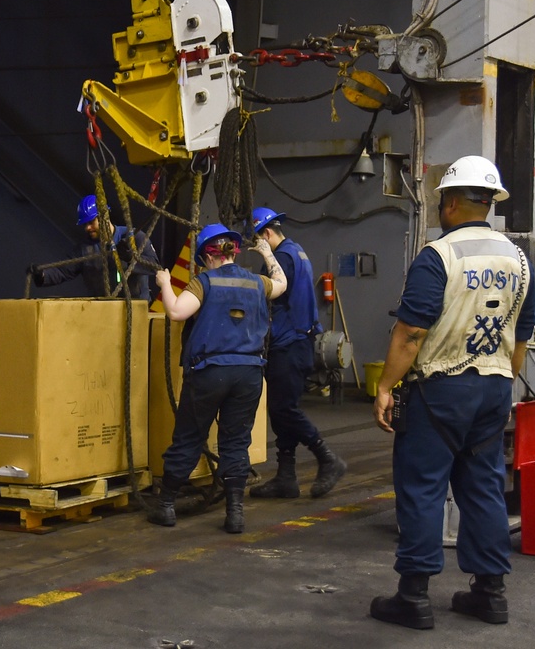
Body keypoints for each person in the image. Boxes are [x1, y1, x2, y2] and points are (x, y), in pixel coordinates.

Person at [368, 156, 535, 629]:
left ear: (451, 202)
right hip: (495, 387)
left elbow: (411, 334)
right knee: (482, 485)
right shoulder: (519, 260)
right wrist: (503, 382)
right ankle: (490, 593)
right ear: (489, 202)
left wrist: (385, 386)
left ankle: (414, 597)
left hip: (441, 389)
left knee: (422, 486)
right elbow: (523, 335)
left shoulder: (438, 256)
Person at [150, 223, 287, 533]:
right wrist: (267, 254)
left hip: (209, 373)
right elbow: (282, 283)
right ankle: (235, 513)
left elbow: (175, 312)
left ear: (207, 257)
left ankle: (166, 506)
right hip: (249, 374)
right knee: (236, 442)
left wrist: (165, 283)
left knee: (188, 436)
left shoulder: (204, 282)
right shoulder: (256, 283)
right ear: (234, 252)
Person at [248, 207, 347, 500]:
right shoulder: (298, 251)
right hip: (299, 341)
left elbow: (272, 292)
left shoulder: (280, 259)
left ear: (265, 235)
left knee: (284, 409)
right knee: (282, 409)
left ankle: (327, 458)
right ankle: (286, 478)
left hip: (289, 342)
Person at [29, 194, 159, 300]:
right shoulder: (85, 250)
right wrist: (42, 275)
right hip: (103, 314)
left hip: (135, 311)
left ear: (104, 216)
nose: (88, 228)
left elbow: (154, 266)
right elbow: (63, 271)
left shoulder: (134, 237)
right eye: (85, 224)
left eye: (91, 222)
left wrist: (131, 258)